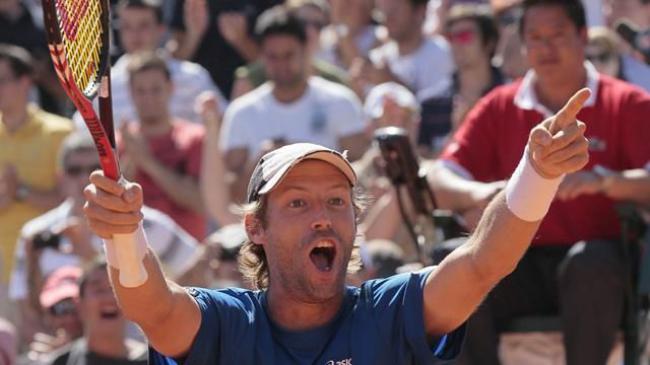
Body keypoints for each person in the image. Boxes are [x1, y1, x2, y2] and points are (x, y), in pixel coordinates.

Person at [82, 82, 590, 363]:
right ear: (255, 228)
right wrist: (123, 234)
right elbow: (153, 309)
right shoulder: (227, 323)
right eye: (298, 204)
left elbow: (483, 263)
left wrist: (538, 174)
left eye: (336, 202)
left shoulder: (389, 311)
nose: (322, 217)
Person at [429, 1, 650, 363]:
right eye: (535, 38)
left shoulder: (628, 102)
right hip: (516, 262)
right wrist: (485, 193)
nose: (545, 48)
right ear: (521, 44)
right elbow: (440, 176)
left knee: (590, 264)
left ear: (582, 36)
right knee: (451, 258)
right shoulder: (499, 105)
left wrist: (604, 183)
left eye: (557, 36)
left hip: (601, 266)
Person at [8, 131, 201, 344]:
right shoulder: (35, 233)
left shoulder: (145, 223)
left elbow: (200, 269)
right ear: (61, 178)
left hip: (139, 352)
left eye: (93, 170)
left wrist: (89, 257)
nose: (83, 179)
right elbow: (27, 316)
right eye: (74, 170)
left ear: (109, 174)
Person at [220, 5, 368, 202]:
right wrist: (258, 165)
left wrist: (312, 166)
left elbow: (364, 175)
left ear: (306, 50)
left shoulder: (340, 101)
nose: (281, 65)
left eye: (289, 55)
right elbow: (229, 194)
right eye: (273, 57)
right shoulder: (241, 112)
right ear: (262, 56)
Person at [0, 44, 72, 287]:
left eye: (3, 80)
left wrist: (19, 192)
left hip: (51, 265)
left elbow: (72, 200)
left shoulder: (60, 133)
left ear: (25, 82)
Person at [119, 52, 206, 239]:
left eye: (156, 89)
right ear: (130, 93)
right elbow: (116, 203)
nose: (148, 98)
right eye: (140, 91)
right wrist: (132, 159)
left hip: (188, 256)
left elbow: (199, 202)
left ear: (170, 88)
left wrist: (147, 162)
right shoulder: (120, 141)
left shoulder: (195, 138)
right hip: (135, 250)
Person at [418, 4, 504, 155]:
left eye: (465, 36)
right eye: (451, 38)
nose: (457, 44)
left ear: (489, 42)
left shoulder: (516, 97)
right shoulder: (430, 104)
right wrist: (457, 133)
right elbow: (425, 165)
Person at [230, 0, 349, 99]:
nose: (310, 31)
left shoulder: (336, 82)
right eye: (303, 23)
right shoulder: (250, 80)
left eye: (317, 25)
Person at [169, 0, 281, 97]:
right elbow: (175, 64)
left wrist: (242, 42)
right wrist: (193, 35)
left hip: (254, 99)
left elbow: (282, 62)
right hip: (198, 102)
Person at [48, 259, 148, 365]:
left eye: (115, 289)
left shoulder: (153, 360)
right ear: (80, 305)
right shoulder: (60, 362)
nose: (109, 298)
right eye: (98, 290)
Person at [354, 0, 454, 100]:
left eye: (395, 11)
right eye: (384, 12)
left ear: (420, 11)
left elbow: (436, 109)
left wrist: (391, 82)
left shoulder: (441, 53)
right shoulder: (377, 58)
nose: (388, 18)